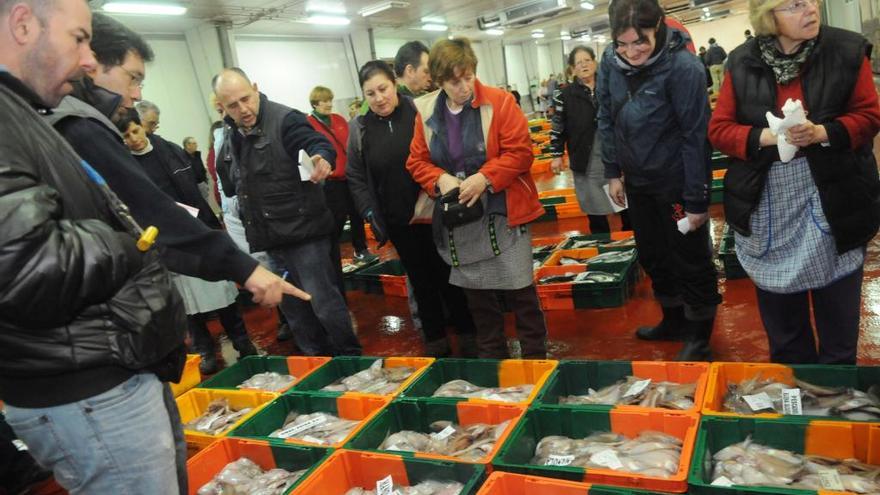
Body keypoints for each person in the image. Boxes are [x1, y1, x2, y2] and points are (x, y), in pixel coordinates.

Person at [38, 13, 306, 493]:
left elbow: (141, 230)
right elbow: (152, 214)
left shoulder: (58, 123)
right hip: (93, 374)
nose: (138, 94)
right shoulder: (79, 127)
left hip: (95, 365)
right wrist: (244, 269)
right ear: (94, 65)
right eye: (134, 77)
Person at [1, 1, 182, 492]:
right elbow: (25, 267)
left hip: (100, 375)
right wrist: (128, 242)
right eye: (78, 38)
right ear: (22, 24)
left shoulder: (24, 112)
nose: (88, 60)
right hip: (86, 392)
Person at [708, 0, 880, 364]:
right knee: (786, 333)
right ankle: (797, 400)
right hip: (768, 201)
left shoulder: (846, 50)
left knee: (838, 326)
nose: (811, 10)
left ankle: (837, 398)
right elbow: (720, 130)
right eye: (795, 5)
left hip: (836, 195)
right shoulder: (741, 61)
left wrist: (823, 132)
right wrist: (770, 138)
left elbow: (869, 115)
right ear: (769, 16)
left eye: (812, 1)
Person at [407, 38, 548, 359]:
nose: (464, 87)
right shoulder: (427, 112)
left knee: (521, 294)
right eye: (454, 81)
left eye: (468, 76)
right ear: (439, 81)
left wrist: (485, 178)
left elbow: (521, 153)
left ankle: (536, 359)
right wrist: (439, 178)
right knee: (480, 301)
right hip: (462, 222)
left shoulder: (499, 102)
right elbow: (416, 161)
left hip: (503, 214)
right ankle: (493, 361)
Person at [598, 0, 720, 361]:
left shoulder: (683, 68)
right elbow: (605, 113)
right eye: (622, 44)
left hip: (676, 180)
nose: (630, 52)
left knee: (690, 258)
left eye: (640, 42)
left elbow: (695, 136)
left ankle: (699, 336)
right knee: (653, 254)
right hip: (637, 179)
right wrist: (611, 170)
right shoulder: (610, 61)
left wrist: (696, 200)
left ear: (659, 28)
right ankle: (672, 320)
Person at [214, 67, 362, 357]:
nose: (243, 109)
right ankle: (317, 364)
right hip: (270, 239)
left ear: (255, 88)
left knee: (324, 303)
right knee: (294, 312)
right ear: (222, 107)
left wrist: (322, 158)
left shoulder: (285, 119)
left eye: (246, 98)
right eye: (233, 105)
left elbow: (315, 143)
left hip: (304, 234)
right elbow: (230, 182)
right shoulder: (232, 133)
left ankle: (351, 358)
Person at [347, 60, 478, 357]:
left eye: (383, 89)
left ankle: (467, 333)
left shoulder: (421, 111)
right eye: (371, 93)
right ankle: (435, 341)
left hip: (436, 213)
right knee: (420, 281)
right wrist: (369, 211)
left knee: (450, 274)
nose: (379, 98)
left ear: (394, 84)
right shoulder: (361, 129)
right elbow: (355, 175)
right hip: (398, 220)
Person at [117, 111, 258, 374]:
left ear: (142, 128)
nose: (133, 139)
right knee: (187, 303)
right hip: (164, 240)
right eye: (125, 137)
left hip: (196, 228)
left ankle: (242, 341)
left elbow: (195, 184)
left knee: (221, 292)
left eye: (135, 131)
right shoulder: (124, 165)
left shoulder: (169, 149)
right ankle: (204, 349)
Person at [550, 46, 631, 234]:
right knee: (595, 213)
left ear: (595, 62)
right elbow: (558, 126)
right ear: (572, 69)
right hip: (585, 159)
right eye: (578, 62)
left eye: (587, 60)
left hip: (614, 155)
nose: (584, 65)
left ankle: (632, 245)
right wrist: (556, 154)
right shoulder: (564, 95)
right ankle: (603, 251)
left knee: (624, 206)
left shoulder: (610, 87)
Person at [306, 85, 375, 263]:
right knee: (337, 217)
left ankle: (360, 249)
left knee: (357, 213)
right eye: (324, 101)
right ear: (314, 103)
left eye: (330, 100)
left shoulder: (338, 119)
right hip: (330, 181)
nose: (329, 104)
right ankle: (331, 254)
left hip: (349, 176)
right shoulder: (308, 124)